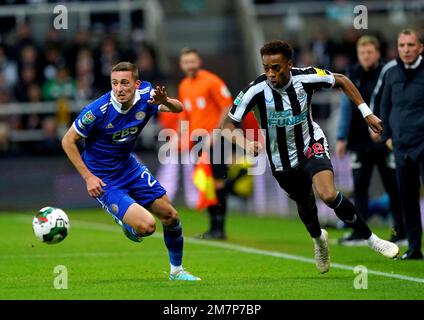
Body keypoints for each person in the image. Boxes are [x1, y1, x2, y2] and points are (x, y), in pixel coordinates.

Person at [222, 40, 399, 274]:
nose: (271, 73)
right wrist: (244, 143)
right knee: (305, 206)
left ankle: (371, 239)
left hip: (310, 144)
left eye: (276, 67)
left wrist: (367, 114)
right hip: (281, 160)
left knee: (327, 194)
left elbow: (343, 80)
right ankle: (318, 240)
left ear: (289, 64)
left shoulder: (306, 77)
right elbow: (227, 125)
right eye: (266, 68)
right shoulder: (255, 90)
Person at [61, 62, 201, 280]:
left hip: (129, 167)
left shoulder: (146, 94)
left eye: (124, 83)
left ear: (136, 84)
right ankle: (126, 222)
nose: (119, 89)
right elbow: (68, 140)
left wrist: (165, 102)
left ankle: (177, 271)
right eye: (114, 83)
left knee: (171, 216)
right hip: (105, 178)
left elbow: (179, 108)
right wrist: (88, 177)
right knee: (147, 227)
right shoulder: (97, 110)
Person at [335, 35, 405, 246]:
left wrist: (389, 131)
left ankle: (399, 231)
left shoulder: (389, 72)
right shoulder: (352, 74)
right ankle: (361, 233)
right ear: (358, 54)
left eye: (369, 52)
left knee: (394, 187)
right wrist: (341, 137)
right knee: (360, 188)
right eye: (362, 52)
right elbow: (346, 107)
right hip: (360, 141)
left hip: (385, 141)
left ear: (377, 53)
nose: (365, 56)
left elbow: (396, 103)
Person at [178, 48, 234, 239]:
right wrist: (183, 135)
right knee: (207, 183)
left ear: (199, 61)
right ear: (181, 65)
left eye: (192, 61)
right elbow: (185, 115)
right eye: (186, 62)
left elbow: (227, 105)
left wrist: (215, 133)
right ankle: (213, 228)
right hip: (197, 140)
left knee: (218, 183)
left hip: (216, 139)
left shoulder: (211, 80)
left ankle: (220, 229)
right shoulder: (184, 85)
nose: (190, 65)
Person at [379, 29, 424, 260]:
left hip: (423, 144)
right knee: (407, 198)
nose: (406, 50)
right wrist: (386, 136)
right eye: (402, 45)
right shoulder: (391, 73)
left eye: (410, 45)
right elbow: (384, 106)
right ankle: (414, 247)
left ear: (420, 48)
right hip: (401, 147)